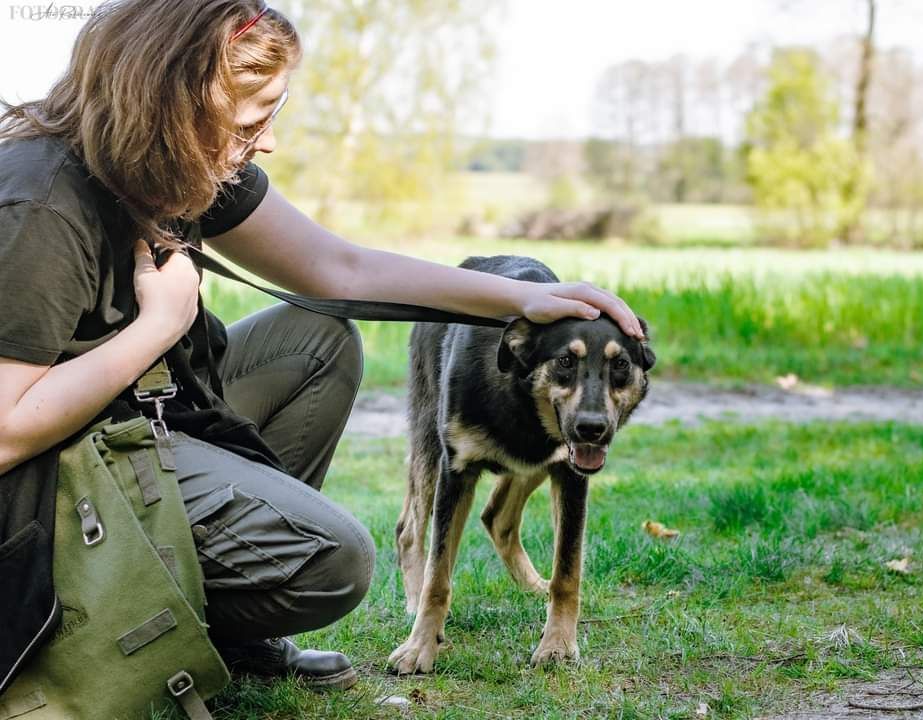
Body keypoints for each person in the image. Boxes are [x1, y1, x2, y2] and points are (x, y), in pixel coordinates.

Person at [0, 0, 643, 691]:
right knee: (333, 559)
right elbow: (5, 432)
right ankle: (142, 621)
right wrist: (156, 329)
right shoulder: (42, 207)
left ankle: (236, 634)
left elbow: (340, 270)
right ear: (171, 100)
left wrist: (523, 299)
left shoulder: (175, 160)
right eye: (254, 117)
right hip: (52, 486)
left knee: (316, 340)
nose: (268, 140)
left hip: (133, 424)